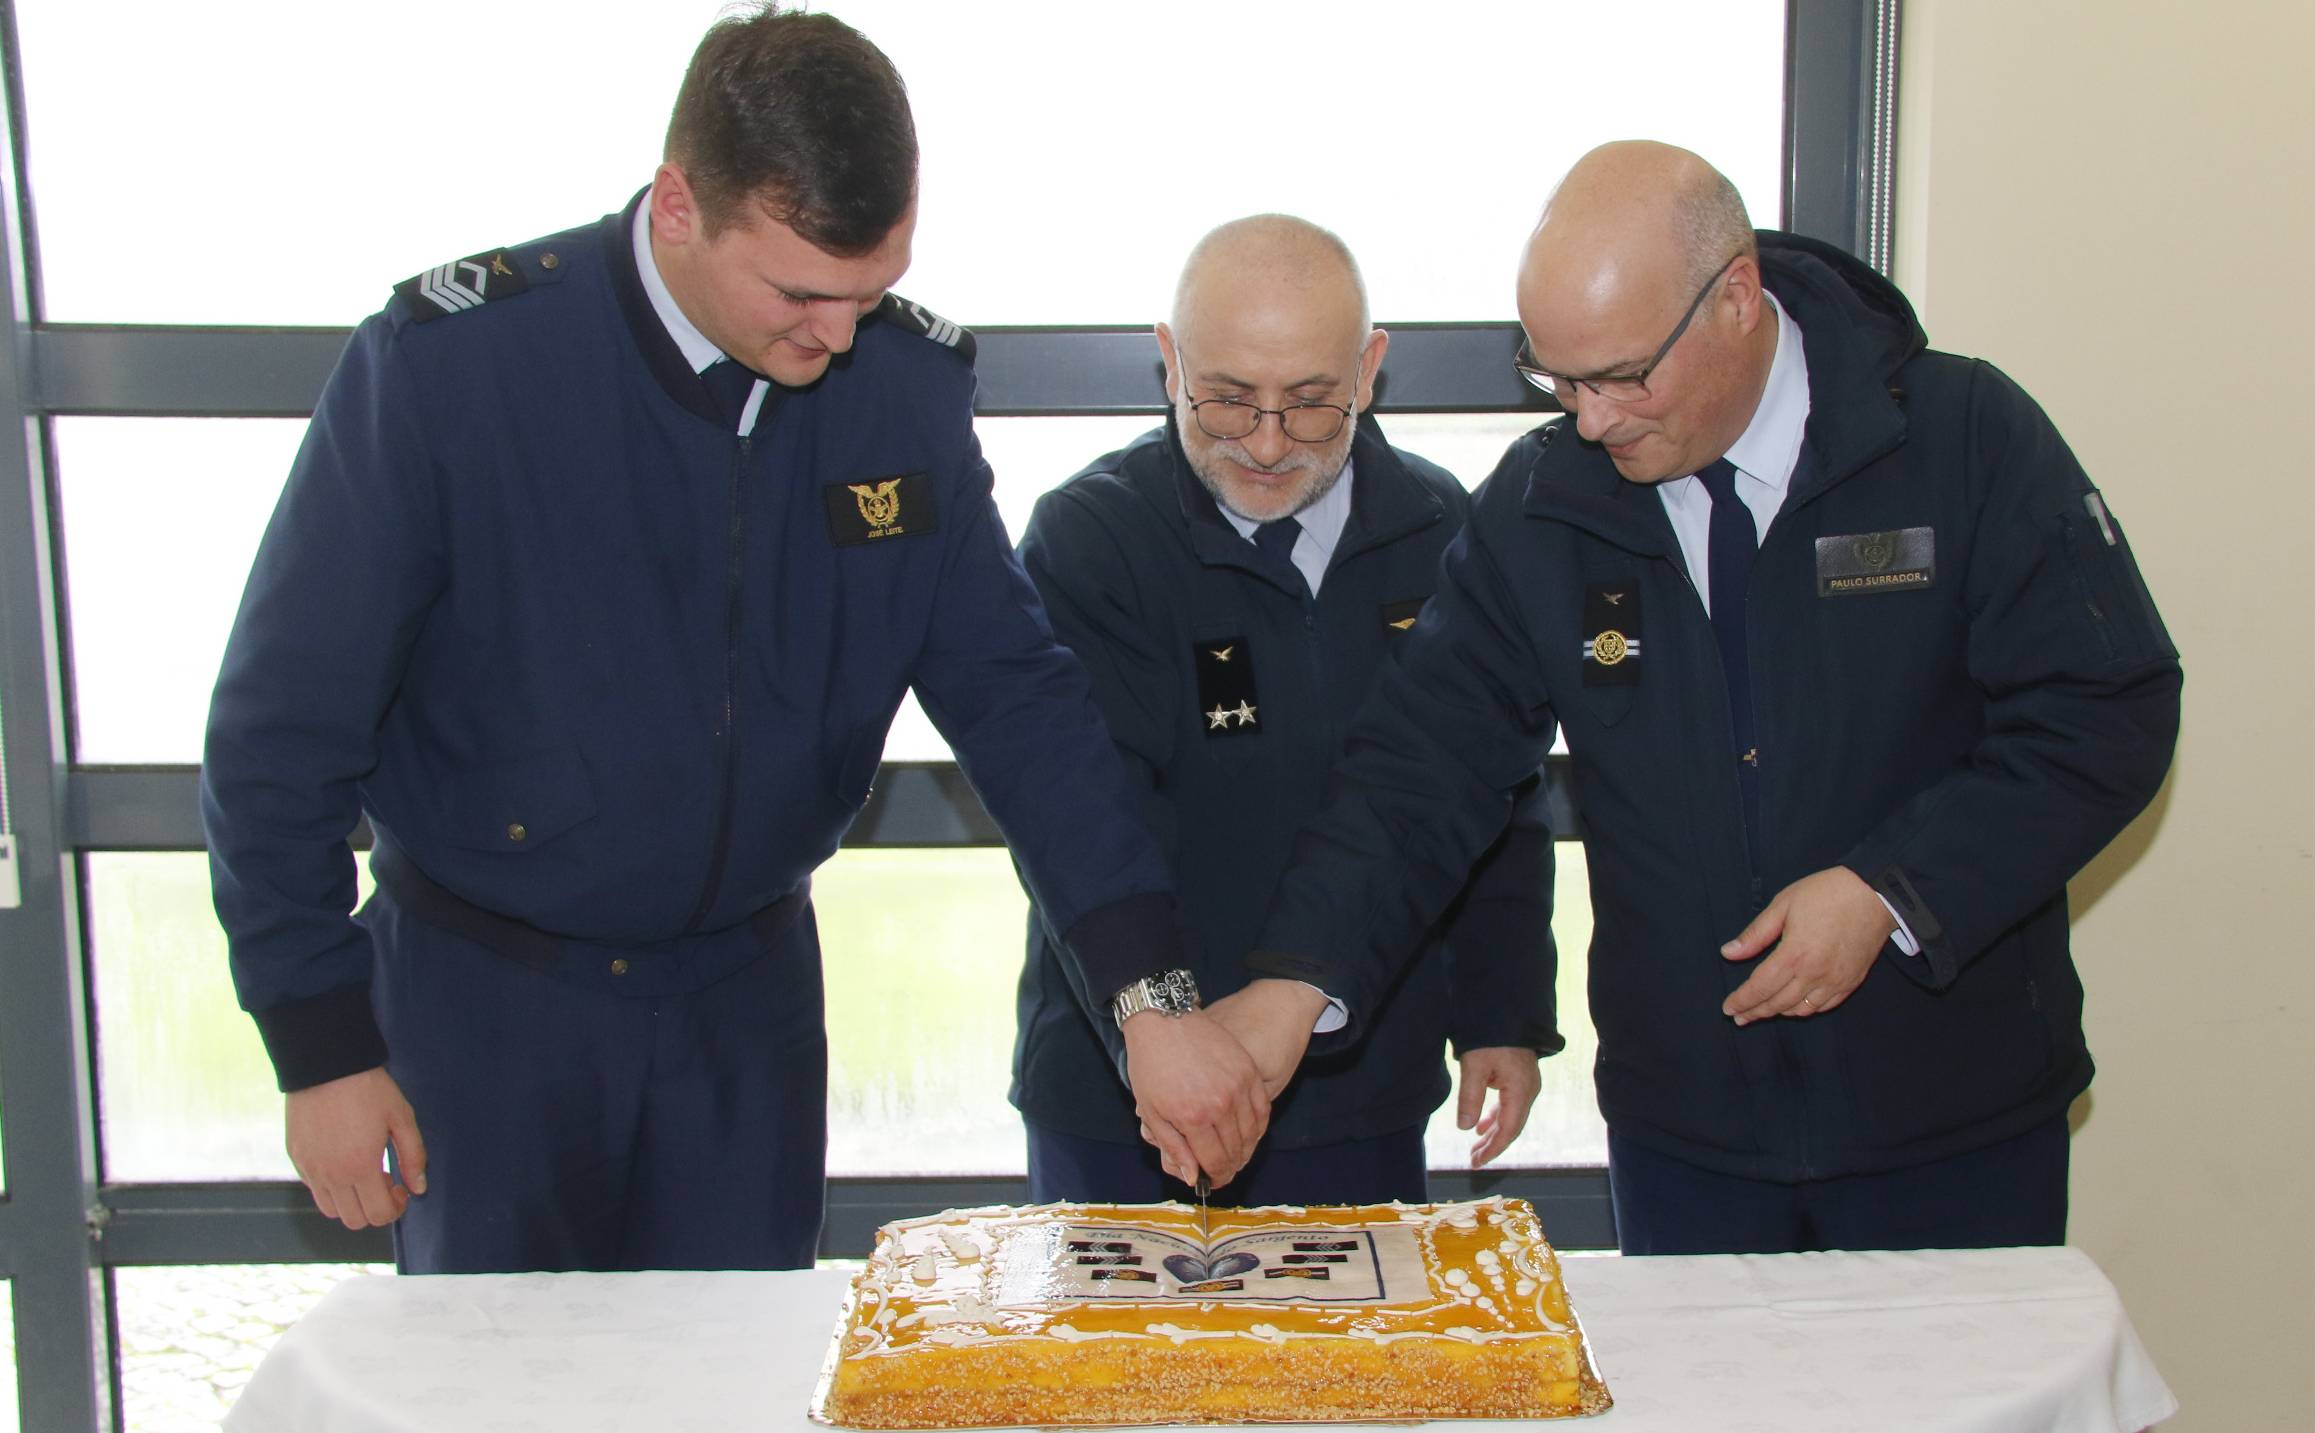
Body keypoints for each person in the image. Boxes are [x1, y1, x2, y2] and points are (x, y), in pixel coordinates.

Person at [201, 6, 1267, 1274]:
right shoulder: (456, 373)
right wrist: (320, 1044)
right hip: (486, 1006)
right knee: (493, 1389)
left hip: (742, 1014)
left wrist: (1149, 992)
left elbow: (1020, 705)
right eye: (802, 292)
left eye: (871, 293)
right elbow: (280, 727)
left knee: (740, 1382)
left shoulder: (896, 393)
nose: (835, 334)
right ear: (675, 207)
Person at [1211, 141, 2181, 1254]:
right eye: (1556, 379)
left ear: (1734, 298)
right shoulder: (1542, 501)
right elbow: (1419, 768)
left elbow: (2107, 707)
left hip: (1951, 1114)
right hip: (1688, 1133)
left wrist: (1892, 889)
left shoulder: (1961, 438)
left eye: (1623, 375)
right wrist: (1298, 980)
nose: (1591, 419)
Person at [1010, 216, 1562, 1207]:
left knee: (1354, 1361)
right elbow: (1085, 820)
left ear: (1370, 369)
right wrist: (1165, 1030)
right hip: (1128, 1092)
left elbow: (1489, 795)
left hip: (1361, 1086)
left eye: (1311, 406)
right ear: (1169, 361)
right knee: (1120, 1366)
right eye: (1225, 402)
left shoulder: (1445, 532)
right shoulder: (1089, 539)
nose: (1266, 444)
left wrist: (1501, 1010)